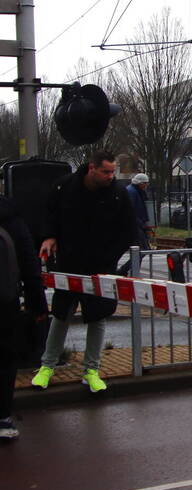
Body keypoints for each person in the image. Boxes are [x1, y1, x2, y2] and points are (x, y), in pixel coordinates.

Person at [31, 151, 135, 393]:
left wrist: (110, 261)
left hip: (100, 267)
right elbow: (49, 215)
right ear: (92, 168)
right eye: (106, 172)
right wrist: (49, 237)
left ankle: (91, 370)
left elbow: (128, 229)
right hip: (69, 263)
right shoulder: (64, 187)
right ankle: (47, 366)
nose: (111, 176)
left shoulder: (118, 194)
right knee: (61, 314)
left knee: (97, 318)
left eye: (113, 171)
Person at [1, 196, 48, 439]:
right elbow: (30, 267)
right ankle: (3, 418)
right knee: (5, 359)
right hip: (5, 304)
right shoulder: (12, 219)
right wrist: (38, 306)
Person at [125, 173, 152, 250]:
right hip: (135, 225)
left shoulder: (135, 190)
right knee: (142, 249)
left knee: (140, 249)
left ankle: (133, 262)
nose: (146, 185)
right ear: (140, 183)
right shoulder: (132, 192)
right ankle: (132, 263)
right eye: (146, 183)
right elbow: (130, 210)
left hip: (137, 224)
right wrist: (140, 223)